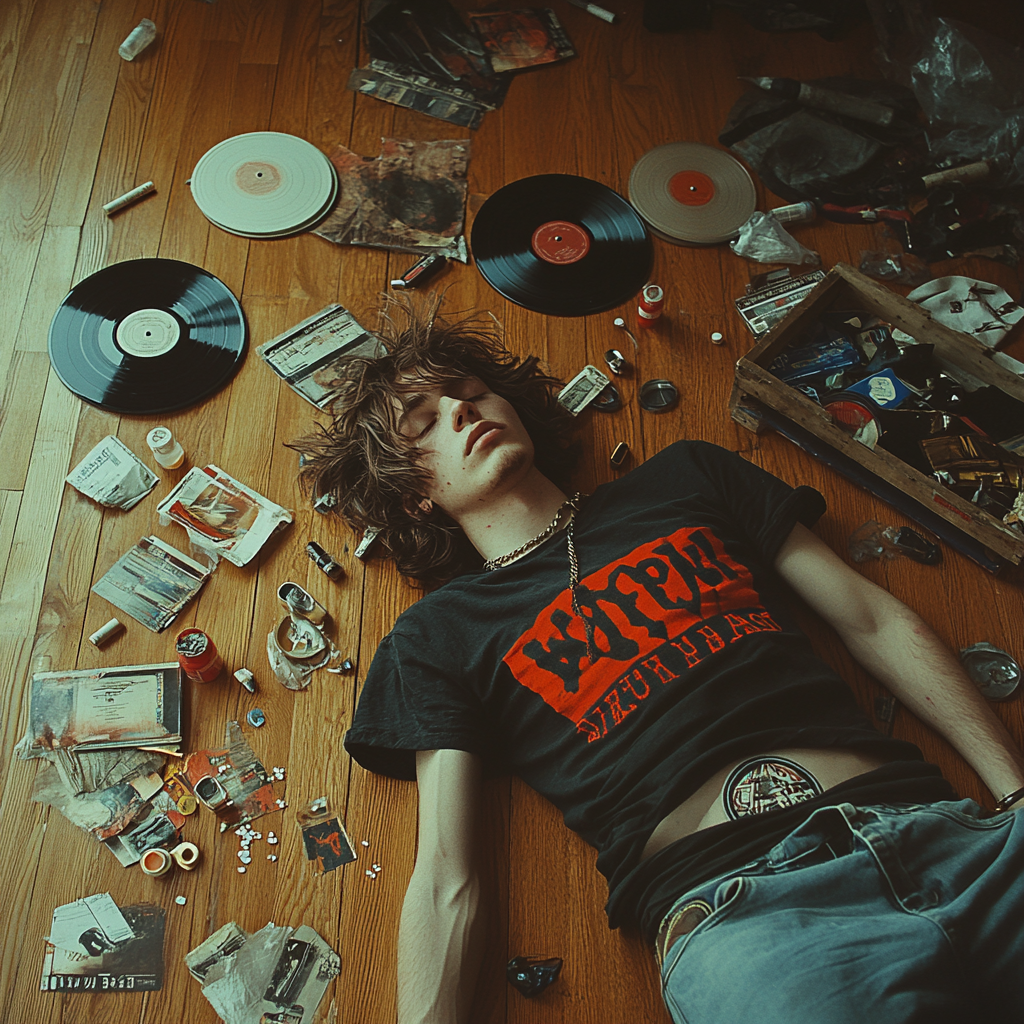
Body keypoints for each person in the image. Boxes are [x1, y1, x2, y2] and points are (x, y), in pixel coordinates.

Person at [295, 297, 1024, 1024]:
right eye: (422, 423)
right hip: (755, 917)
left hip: (942, 837)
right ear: (412, 497)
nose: (458, 411)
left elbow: (870, 619)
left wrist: (1015, 794)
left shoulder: (688, 478)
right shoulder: (435, 637)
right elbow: (445, 874)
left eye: (469, 392)